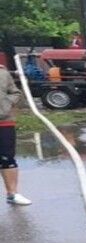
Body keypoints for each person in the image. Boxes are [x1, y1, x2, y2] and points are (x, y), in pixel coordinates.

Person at [0, 62, 30, 205]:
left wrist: (6, 103)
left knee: (7, 158)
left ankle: (13, 194)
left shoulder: (3, 73)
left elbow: (15, 92)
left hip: (4, 122)